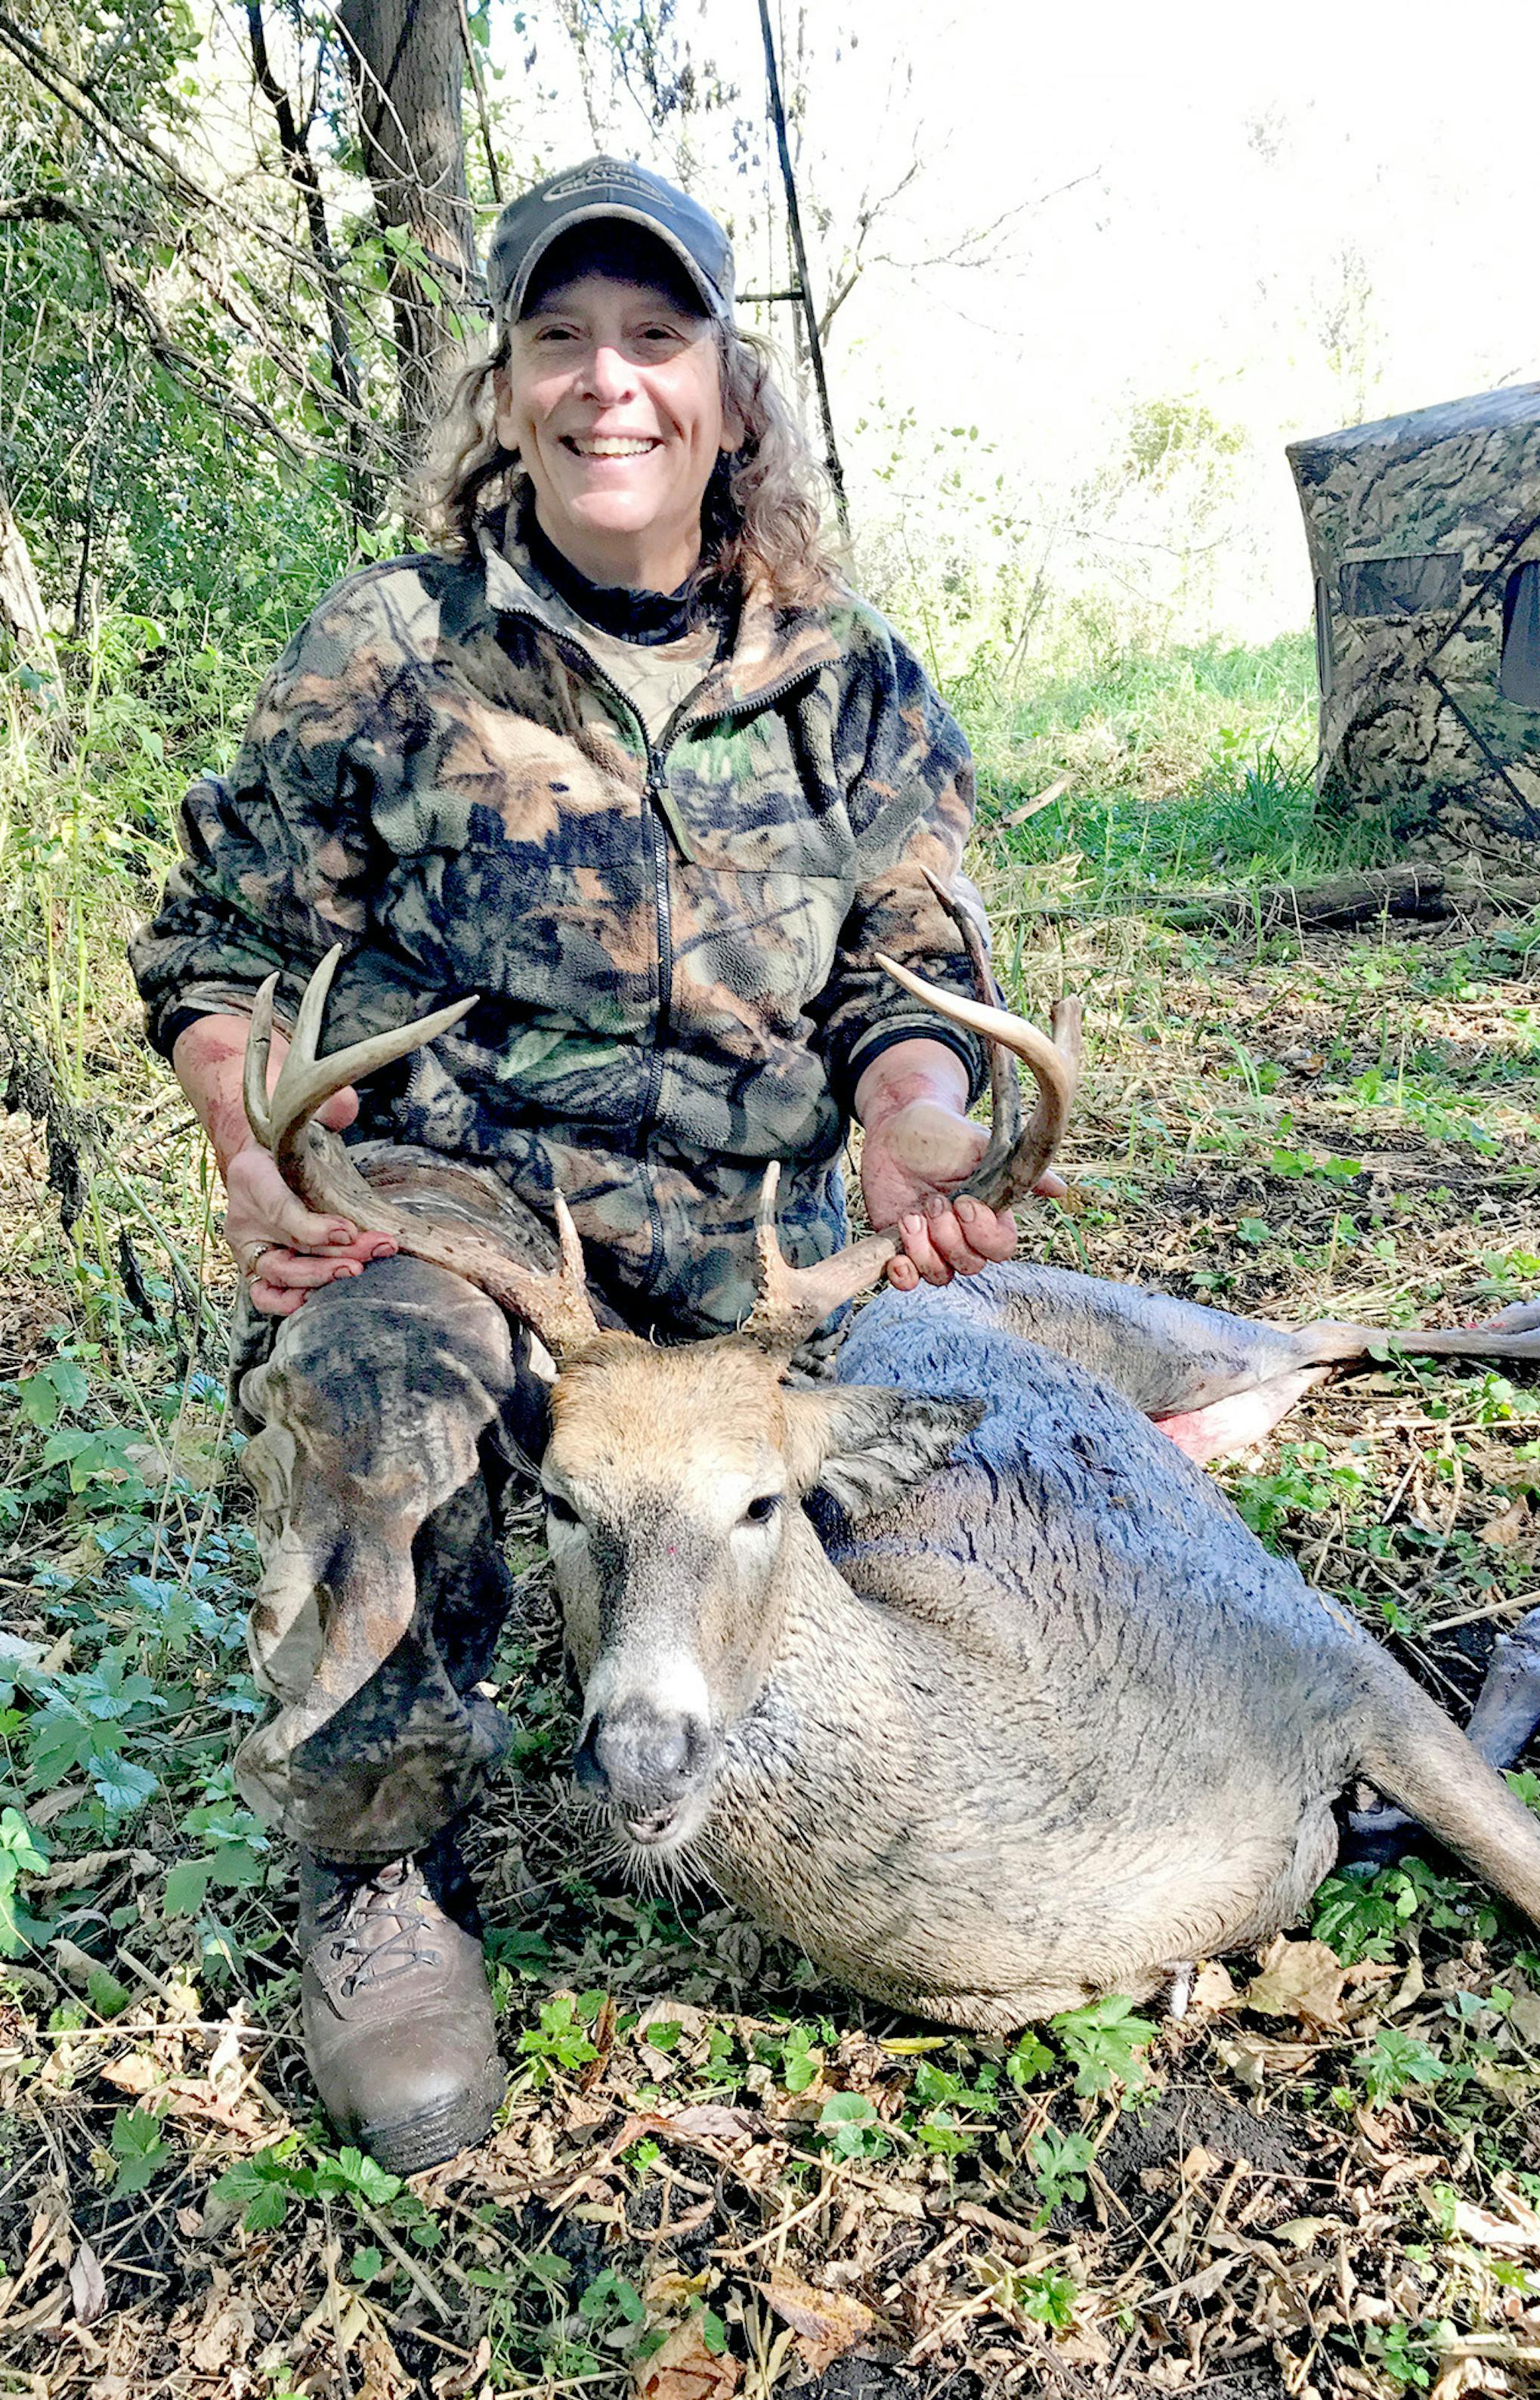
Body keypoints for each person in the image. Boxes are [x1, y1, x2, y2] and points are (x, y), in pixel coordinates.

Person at [130, 157, 1051, 2173]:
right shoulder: (397, 643)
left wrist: (915, 1117)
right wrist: (246, 1125)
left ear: (727, 392)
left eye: (654, 339)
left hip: (746, 1259)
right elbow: (218, 941)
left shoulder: (848, 680)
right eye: (561, 339)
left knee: (969, 1494)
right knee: (380, 1400)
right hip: (465, 1222)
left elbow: (906, 967)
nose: (607, 383)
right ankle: (379, 1870)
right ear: (508, 386)